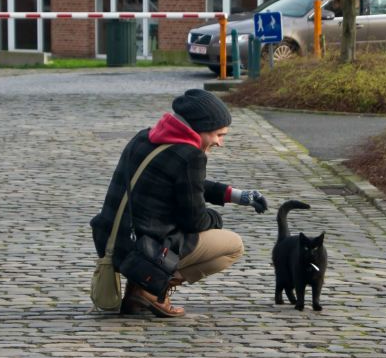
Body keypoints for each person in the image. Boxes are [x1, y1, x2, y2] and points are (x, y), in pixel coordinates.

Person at [91, 89, 268, 317]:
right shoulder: (191, 156)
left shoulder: (145, 137)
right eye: (218, 135)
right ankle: (150, 289)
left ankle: (139, 289)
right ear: (201, 128)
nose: (220, 143)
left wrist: (235, 195)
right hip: (143, 251)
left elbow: (185, 182)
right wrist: (216, 219)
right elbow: (195, 221)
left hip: (112, 241)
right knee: (233, 246)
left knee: (177, 233)